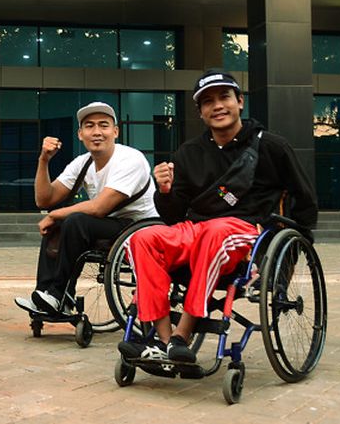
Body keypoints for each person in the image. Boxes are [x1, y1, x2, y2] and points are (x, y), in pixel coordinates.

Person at [121, 69, 318, 363]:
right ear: (200, 112)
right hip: (195, 229)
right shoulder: (189, 152)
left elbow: (304, 200)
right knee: (143, 238)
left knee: (216, 231)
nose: (218, 106)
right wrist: (163, 191)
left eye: (224, 97)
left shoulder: (272, 147)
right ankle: (162, 341)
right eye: (207, 101)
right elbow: (174, 215)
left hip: (245, 232)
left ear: (240, 101)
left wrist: (291, 249)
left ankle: (181, 335)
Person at [14, 101, 159, 315]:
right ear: (80, 134)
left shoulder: (130, 159)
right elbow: (44, 199)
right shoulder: (83, 163)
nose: (97, 132)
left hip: (140, 227)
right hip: (109, 225)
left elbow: (100, 207)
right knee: (60, 225)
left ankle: (59, 295)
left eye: (104, 125)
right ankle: (44, 294)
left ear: (116, 131)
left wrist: (54, 215)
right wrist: (44, 160)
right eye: (90, 126)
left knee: (73, 220)